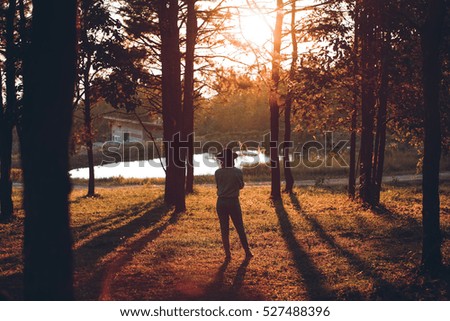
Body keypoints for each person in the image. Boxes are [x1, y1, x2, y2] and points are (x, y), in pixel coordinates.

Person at [215, 148, 253, 260]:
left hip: (221, 202)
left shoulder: (218, 172)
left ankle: (228, 254)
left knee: (224, 228)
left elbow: (218, 186)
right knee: (239, 227)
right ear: (232, 160)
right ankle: (247, 251)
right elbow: (241, 186)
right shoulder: (237, 172)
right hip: (233, 201)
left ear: (222, 161)